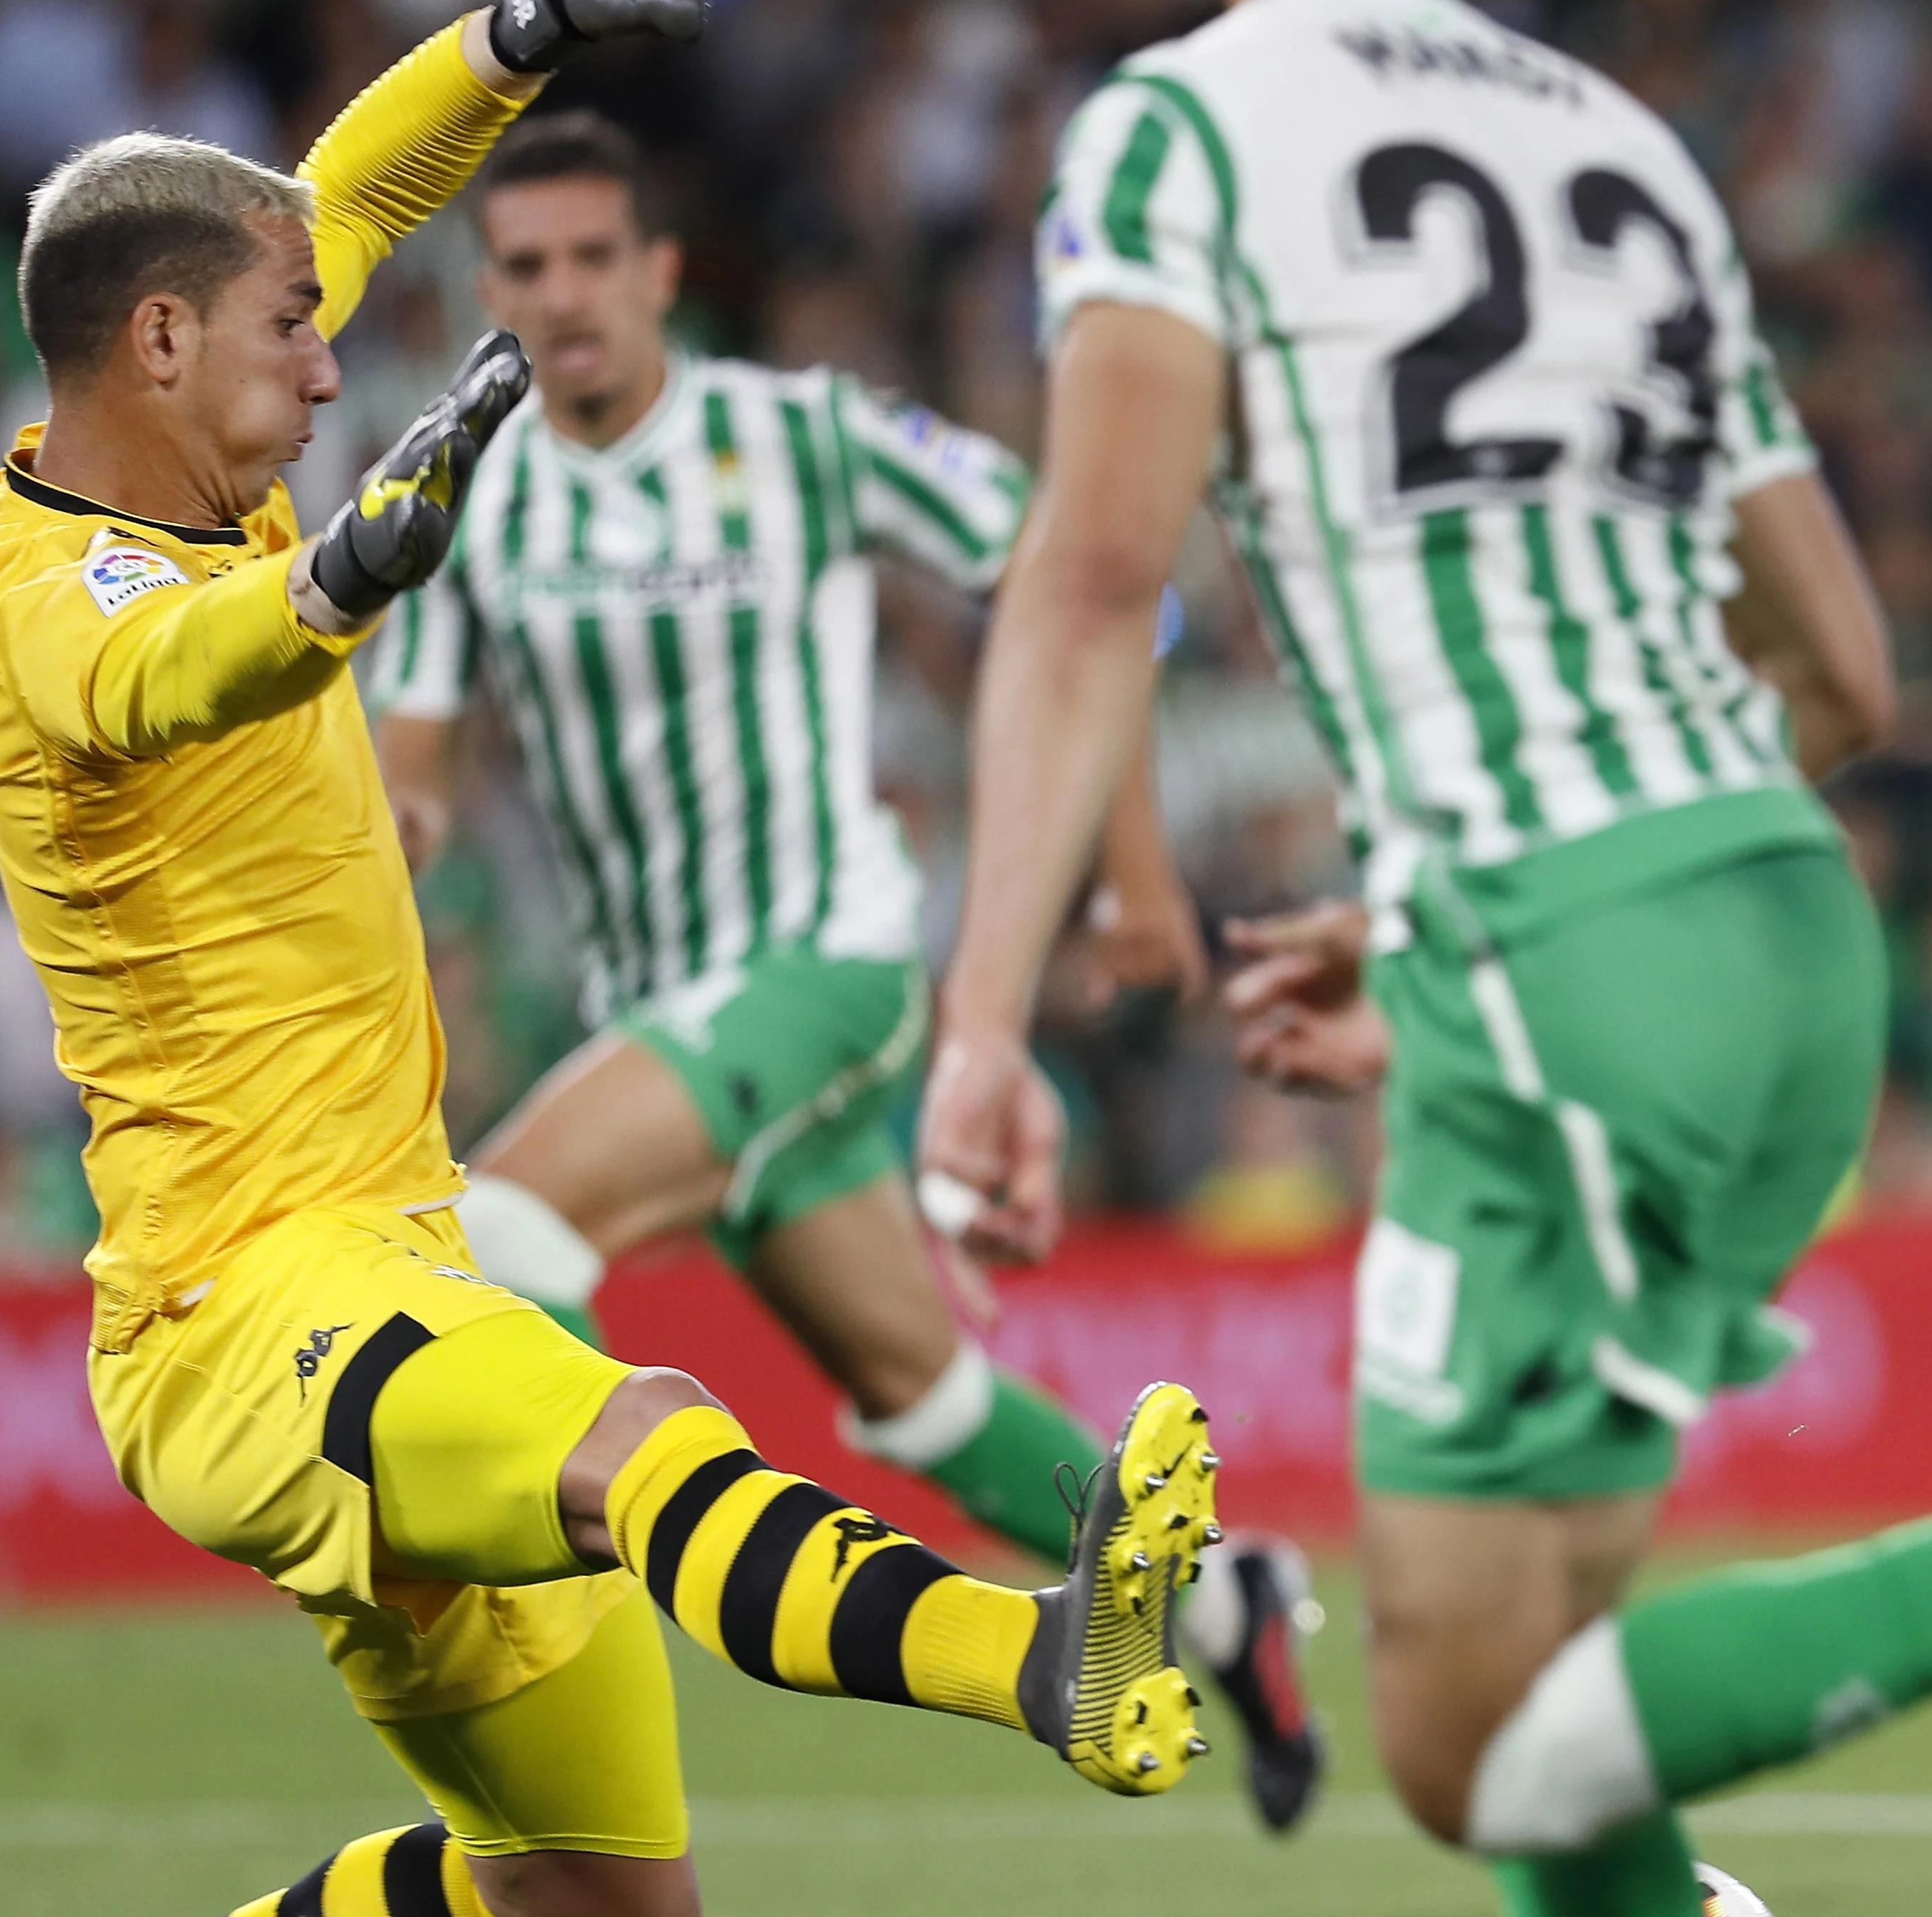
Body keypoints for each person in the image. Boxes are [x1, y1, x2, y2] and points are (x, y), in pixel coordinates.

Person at [913, 0, 1932, 1913]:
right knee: (1563, 1720)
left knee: (1471, 1743)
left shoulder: (1180, 123)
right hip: (1778, 918)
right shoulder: (1618, 140)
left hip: (1568, 967)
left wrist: (982, 1025)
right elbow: (1845, 669)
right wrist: (1465, 912)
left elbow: (1101, 579)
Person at [0, 0, 1222, 1916]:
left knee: (595, 1904)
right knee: (647, 1429)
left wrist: (514, 30)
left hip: (397, 1252)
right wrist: (344, 582)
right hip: (247, 1316)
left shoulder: (201, 436)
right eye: (296, 328)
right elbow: (170, 673)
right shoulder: (46, 595)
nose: (334, 351)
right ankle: (1041, 1650)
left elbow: (344, 183)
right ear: (158, 344)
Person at [365, 108, 1327, 1832]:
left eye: (597, 257)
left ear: (662, 272)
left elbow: (1070, 571)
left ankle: (578, 1654)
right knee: (926, 1395)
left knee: (496, 1233)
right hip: (660, 1019)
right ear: (484, 290)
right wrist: (377, 860)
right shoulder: (466, 485)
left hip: (826, 966)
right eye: (525, 268)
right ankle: (1239, 1597)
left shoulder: (798, 434)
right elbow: (413, 772)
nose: (565, 295)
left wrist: (1125, 868)